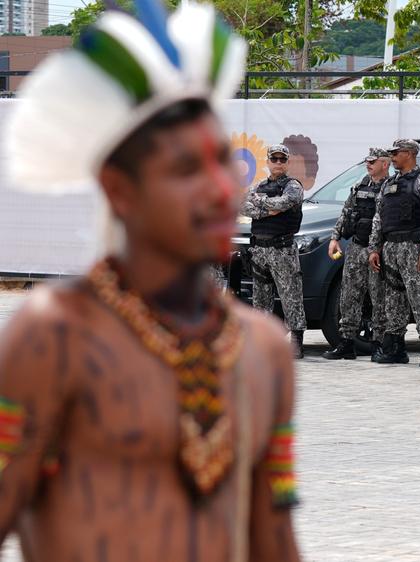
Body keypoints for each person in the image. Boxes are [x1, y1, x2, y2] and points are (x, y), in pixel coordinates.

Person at [0, 2, 301, 560]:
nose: (220, 189)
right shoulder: (53, 338)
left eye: (222, 162)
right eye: (186, 169)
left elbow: (274, 539)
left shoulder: (263, 349)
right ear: (119, 190)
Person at [367, 139, 420, 367]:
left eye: (396, 153)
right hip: (391, 248)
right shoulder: (389, 184)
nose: (392, 156)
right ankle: (397, 348)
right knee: (393, 299)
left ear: (409, 154)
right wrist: (374, 248)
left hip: (413, 246)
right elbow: (379, 218)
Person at [240, 144, 307, 359]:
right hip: (260, 249)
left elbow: (286, 202)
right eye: (274, 159)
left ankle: (296, 342)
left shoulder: (293, 186)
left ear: (287, 163)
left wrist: (260, 205)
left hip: (282, 249)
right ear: (268, 162)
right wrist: (271, 209)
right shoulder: (259, 185)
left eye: (282, 160)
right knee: (260, 299)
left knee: (291, 297)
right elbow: (243, 206)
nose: (278, 163)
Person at [324, 148, 390, 361]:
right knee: (349, 296)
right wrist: (335, 238)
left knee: (378, 297)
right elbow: (346, 212)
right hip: (356, 247)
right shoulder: (360, 186)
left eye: (373, 161)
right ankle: (347, 342)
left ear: (385, 164)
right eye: (367, 161)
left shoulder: (391, 188)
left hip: (378, 251)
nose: (368, 164)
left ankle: (379, 343)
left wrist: (375, 249)